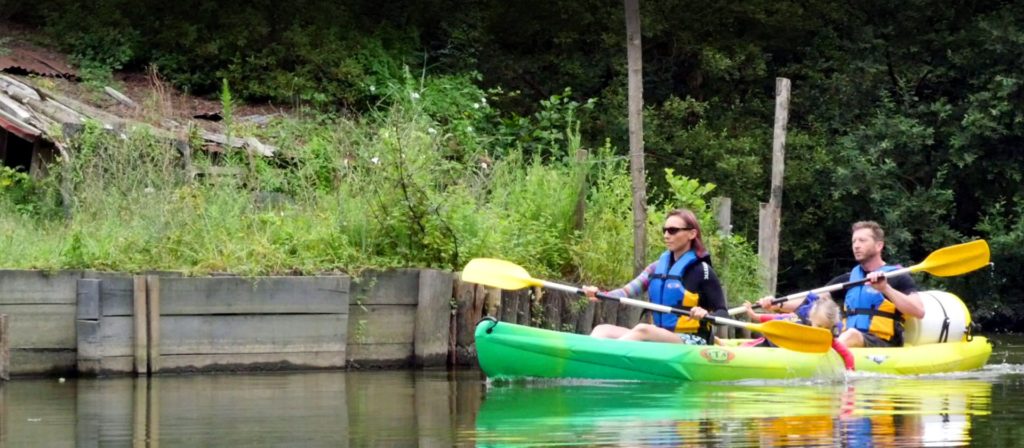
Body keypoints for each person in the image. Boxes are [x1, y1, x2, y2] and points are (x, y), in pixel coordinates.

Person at [758, 221, 924, 347]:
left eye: (862, 240)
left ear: (879, 245)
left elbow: (918, 311)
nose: (856, 246)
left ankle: (824, 355)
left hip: (883, 342)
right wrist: (776, 304)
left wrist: (885, 288)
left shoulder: (897, 277)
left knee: (852, 334)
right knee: (802, 325)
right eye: (854, 241)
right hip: (846, 339)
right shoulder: (848, 279)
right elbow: (809, 301)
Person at [582, 208, 728, 344]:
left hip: (692, 340)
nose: (666, 235)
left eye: (673, 230)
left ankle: (610, 359)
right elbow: (626, 292)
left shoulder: (703, 271)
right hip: (660, 335)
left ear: (692, 234)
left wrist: (704, 313)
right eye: (664, 230)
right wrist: (601, 294)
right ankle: (589, 362)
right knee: (603, 330)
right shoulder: (656, 267)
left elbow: (723, 314)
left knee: (643, 329)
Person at [743, 292, 856, 370]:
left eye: (826, 328)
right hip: (772, 343)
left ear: (832, 327)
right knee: (746, 347)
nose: (822, 330)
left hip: (786, 350)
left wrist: (850, 371)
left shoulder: (828, 339)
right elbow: (776, 318)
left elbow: (847, 355)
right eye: (819, 325)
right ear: (811, 320)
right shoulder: (799, 323)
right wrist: (754, 316)